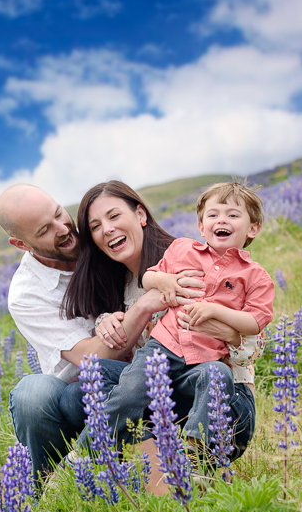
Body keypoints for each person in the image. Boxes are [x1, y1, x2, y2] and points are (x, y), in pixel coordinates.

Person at [100, 181, 274, 476]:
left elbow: (256, 322)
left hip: (205, 359)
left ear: (252, 229)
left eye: (232, 215)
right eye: (213, 215)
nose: (222, 220)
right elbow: (149, 278)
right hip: (164, 346)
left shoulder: (255, 276)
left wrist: (218, 312)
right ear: (201, 226)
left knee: (216, 375)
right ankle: (94, 449)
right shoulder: (181, 249)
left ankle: (196, 460)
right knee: (128, 389)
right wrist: (165, 282)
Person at [0, 184, 134, 482]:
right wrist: (144, 308)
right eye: (45, 230)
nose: (63, 228)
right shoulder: (26, 293)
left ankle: (109, 465)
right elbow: (91, 359)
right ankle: (54, 485)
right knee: (32, 395)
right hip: (76, 396)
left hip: (144, 369)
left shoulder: (101, 235)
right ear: (21, 244)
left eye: (59, 213)